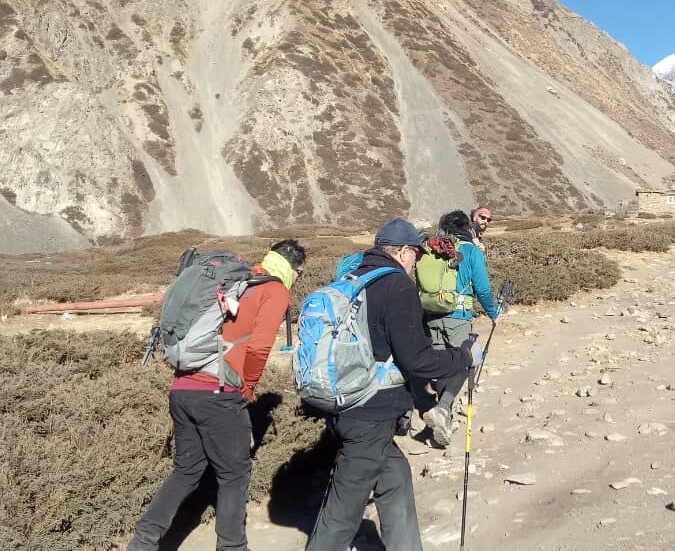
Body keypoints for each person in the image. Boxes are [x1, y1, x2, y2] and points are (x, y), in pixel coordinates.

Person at [306, 219, 479, 551]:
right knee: (341, 515)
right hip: (370, 414)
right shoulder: (397, 286)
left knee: (396, 482)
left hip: (348, 401)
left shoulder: (354, 278)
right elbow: (418, 360)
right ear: (402, 252)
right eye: (415, 251)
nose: (416, 259)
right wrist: (462, 358)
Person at [128, 240, 307, 551]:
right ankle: (233, 547)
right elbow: (261, 346)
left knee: (186, 470)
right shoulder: (275, 289)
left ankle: (143, 542)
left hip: (182, 386)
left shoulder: (237, 278)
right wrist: (248, 387)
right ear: (294, 268)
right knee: (234, 473)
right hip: (219, 392)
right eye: (300, 274)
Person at [420, 210, 500, 447]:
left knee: (444, 365)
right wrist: (494, 314)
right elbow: (483, 289)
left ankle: (442, 419)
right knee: (465, 361)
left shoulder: (434, 248)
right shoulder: (472, 251)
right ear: (467, 227)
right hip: (459, 316)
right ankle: (443, 409)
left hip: (432, 314)